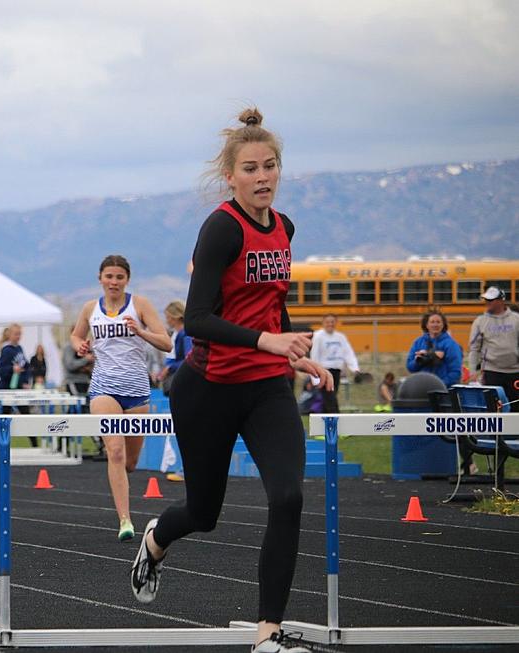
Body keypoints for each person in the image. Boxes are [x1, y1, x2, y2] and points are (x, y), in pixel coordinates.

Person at [129, 108, 332, 653]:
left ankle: (269, 632)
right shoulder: (221, 227)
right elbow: (196, 321)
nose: (263, 177)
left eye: (270, 167)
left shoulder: (285, 228)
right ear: (232, 177)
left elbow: (271, 306)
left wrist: (292, 353)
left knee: (288, 497)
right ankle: (156, 538)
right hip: (208, 388)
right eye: (251, 169)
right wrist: (266, 341)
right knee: (204, 512)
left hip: (267, 386)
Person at [71, 255, 172, 542]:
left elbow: (166, 342)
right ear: (100, 278)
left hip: (137, 391)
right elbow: (75, 336)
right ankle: (125, 520)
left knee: (129, 461)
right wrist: (81, 345)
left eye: (119, 277)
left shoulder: (140, 305)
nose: (113, 282)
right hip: (104, 388)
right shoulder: (90, 308)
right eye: (109, 276)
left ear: (127, 279)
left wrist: (140, 331)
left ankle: (123, 480)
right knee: (114, 451)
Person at [468, 286, 519, 406]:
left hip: (515, 371)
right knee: (493, 406)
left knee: (516, 406)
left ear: (501, 300)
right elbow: (474, 348)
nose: (487, 303)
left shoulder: (516, 319)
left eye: (491, 300)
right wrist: (472, 372)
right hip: (491, 372)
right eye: (487, 300)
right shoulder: (480, 321)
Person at [0, 324, 37, 446]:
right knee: (3, 420)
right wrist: (12, 369)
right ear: (9, 335)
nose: (18, 337)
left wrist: (25, 381)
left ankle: (35, 445)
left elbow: (27, 367)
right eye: (16, 334)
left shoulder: (19, 349)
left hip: (18, 391)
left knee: (26, 417)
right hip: (6, 391)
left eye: (20, 334)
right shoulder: (6, 350)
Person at [309, 314, 360, 413]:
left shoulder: (340, 337)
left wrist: (354, 368)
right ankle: (336, 416)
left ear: (335, 323)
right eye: (328, 322)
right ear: (323, 323)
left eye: (332, 322)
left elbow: (348, 352)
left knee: (330, 396)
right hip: (324, 371)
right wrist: (314, 374)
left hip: (336, 370)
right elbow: (314, 355)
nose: (330, 324)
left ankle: (324, 420)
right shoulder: (318, 336)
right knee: (330, 395)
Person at [406, 311, 463, 388]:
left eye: (438, 322)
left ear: (443, 325)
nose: (435, 325)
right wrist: (418, 361)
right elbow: (410, 367)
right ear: (426, 325)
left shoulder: (451, 345)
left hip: (443, 390)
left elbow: (455, 372)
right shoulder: (418, 342)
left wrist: (438, 385)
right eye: (432, 322)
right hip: (421, 388)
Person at [158, 300, 192, 396]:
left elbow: (188, 359)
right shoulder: (177, 334)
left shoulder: (185, 334)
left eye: (168, 317)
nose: (167, 320)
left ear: (175, 317)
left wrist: (170, 368)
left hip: (183, 379)